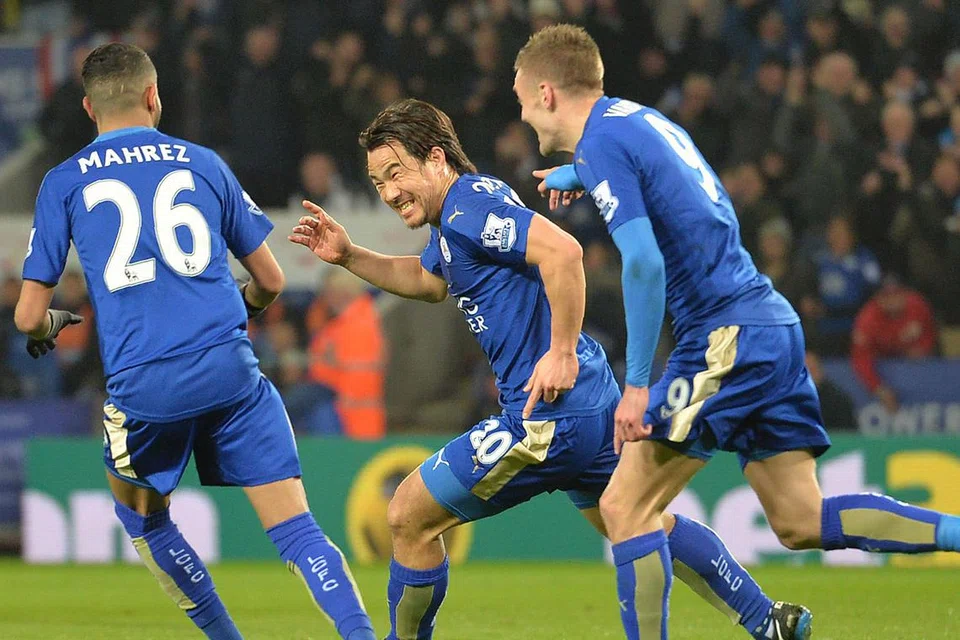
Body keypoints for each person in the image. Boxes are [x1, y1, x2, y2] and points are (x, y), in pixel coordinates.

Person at [290, 98, 810, 640]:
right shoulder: (458, 217)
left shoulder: (469, 209)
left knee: (408, 515)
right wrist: (350, 256)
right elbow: (428, 281)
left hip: (546, 416)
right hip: (589, 401)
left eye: (396, 173)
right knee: (637, 521)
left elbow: (563, 252)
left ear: (436, 158)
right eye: (378, 182)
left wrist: (560, 351)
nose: (389, 192)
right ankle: (767, 617)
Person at [514, 24, 960, 640]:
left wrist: (637, 385)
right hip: (768, 323)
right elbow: (676, 189)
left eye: (520, 97)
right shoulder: (639, 121)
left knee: (624, 507)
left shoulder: (600, 145)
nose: (521, 113)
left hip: (723, 333)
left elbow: (643, 264)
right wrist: (581, 176)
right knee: (801, 520)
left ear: (545, 92)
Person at [14, 43, 375, 640]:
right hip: (229, 370)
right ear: (154, 96)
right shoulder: (203, 163)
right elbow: (271, 282)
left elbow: (28, 317)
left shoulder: (63, 182)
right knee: (297, 529)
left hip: (144, 385)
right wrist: (236, 312)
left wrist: (51, 325)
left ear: (88, 108)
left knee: (144, 520)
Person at [851, 275, 939, 415]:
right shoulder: (867, 319)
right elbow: (861, 358)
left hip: (919, 365)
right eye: (886, 296)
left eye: (897, 294)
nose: (892, 300)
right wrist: (878, 388)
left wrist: (924, 348)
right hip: (883, 362)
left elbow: (931, 331)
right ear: (878, 298)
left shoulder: (917, 305)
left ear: (905, 294)